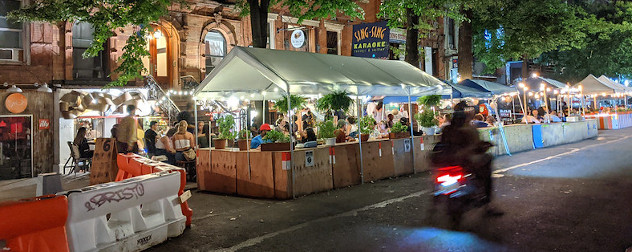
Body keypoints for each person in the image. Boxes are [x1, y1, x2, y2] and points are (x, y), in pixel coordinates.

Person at [434, 105, 502, 216]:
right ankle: (487, 204)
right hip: (465, 161)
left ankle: (435, 205)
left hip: (447, 161)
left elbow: (441, 144)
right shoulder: (469, 129)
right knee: (486, 170)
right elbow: (475, 145)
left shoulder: (446, 129)